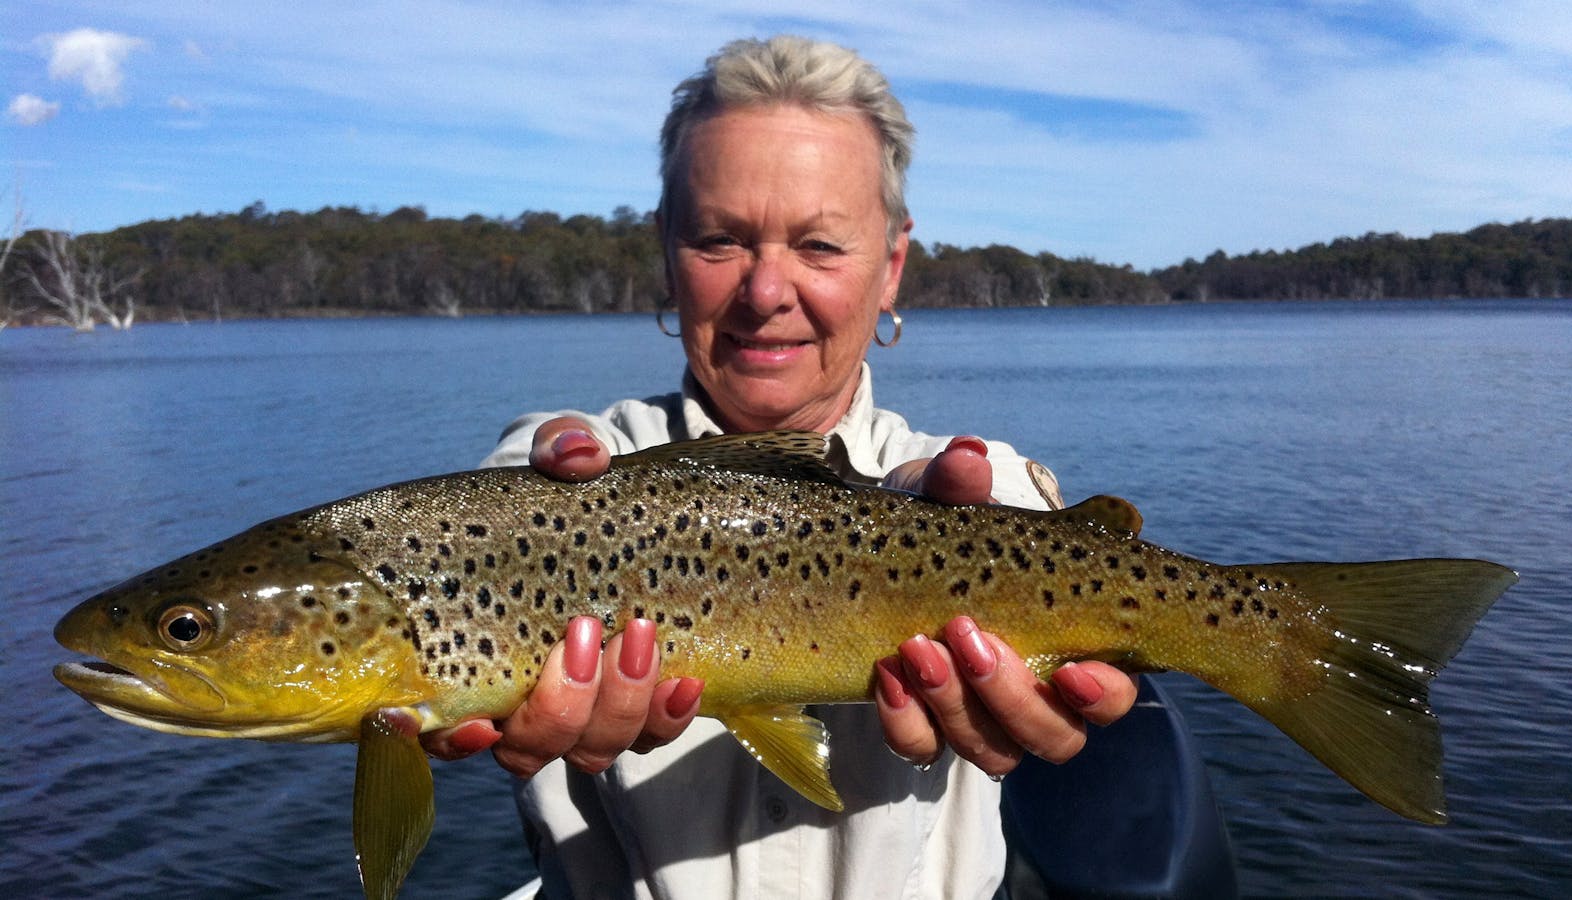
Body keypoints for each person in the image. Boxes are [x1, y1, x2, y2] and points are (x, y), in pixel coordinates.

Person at [420, 35, 1138, 899]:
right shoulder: (564, 479)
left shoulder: (977, 481)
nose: (765, 293)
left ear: (892, 266)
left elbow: (1016, 506)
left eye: (821, 246)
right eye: (719, 240)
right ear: (666, 252)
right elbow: (477, 519)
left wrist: (937, 537)